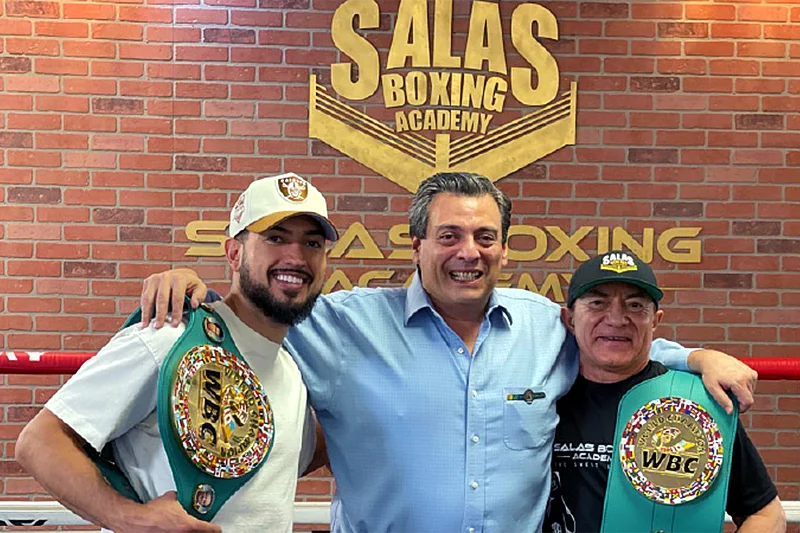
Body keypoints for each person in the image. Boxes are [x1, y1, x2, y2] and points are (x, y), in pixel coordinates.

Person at [138, 172, 758, 533]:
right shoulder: (338, 326)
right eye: (450, 235)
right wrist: (195, 290)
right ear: (416, 245)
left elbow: (617, 340)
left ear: (506, 249)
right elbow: (254, 314)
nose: (470, 251)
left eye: (486, 236)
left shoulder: (547, 328)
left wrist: (698, 357)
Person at [16, 173, 339, 533]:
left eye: (312, 244)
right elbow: (39, 441)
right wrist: (129, 519)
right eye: (276, 238)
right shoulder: (170, 337)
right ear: (234, 253)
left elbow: (284, 465)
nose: (295, 256)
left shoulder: (290, 372)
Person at [545, 251, 784, 533]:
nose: (617, 319)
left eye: (635, 306)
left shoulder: (695, 403)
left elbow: (767, 515)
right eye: (598, 303)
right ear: (569, 318)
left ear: (655, 321)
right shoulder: (540, 398)